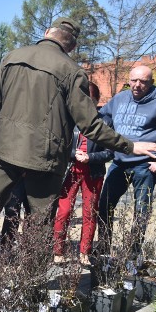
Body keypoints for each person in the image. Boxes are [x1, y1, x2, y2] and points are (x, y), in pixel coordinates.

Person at [0, 17, 156, 242]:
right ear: (72, 46)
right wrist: (130, 146)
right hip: (46, 157)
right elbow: (90, 124)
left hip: (7, 150)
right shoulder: (72, 71)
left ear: (46, 33)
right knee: (39, 223)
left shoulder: (12, 57)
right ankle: (32, 276)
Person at [97, 65, 156, 254]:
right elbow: (101, 119)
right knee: (104, 207)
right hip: (118, 163)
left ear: (151, 83)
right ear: (128, 80)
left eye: (143, 81)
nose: (137, 85)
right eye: (134, 80)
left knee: (141, 212)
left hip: (144, 167)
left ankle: (132, 253)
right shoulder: (120, 98)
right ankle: (103, 250)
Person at [53, 82, 112, 265]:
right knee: (63, 211)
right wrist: (73, 155)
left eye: (91, 101)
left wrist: (90, 157)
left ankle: (84, 252)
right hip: (70, 170)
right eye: (84, 100)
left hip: (93, 173)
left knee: (90, 213)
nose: (87, 105)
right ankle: (58, 251)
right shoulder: (70, 119)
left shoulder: (106, 122)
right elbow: (59, 145)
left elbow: (110, 152)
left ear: (96, 101)